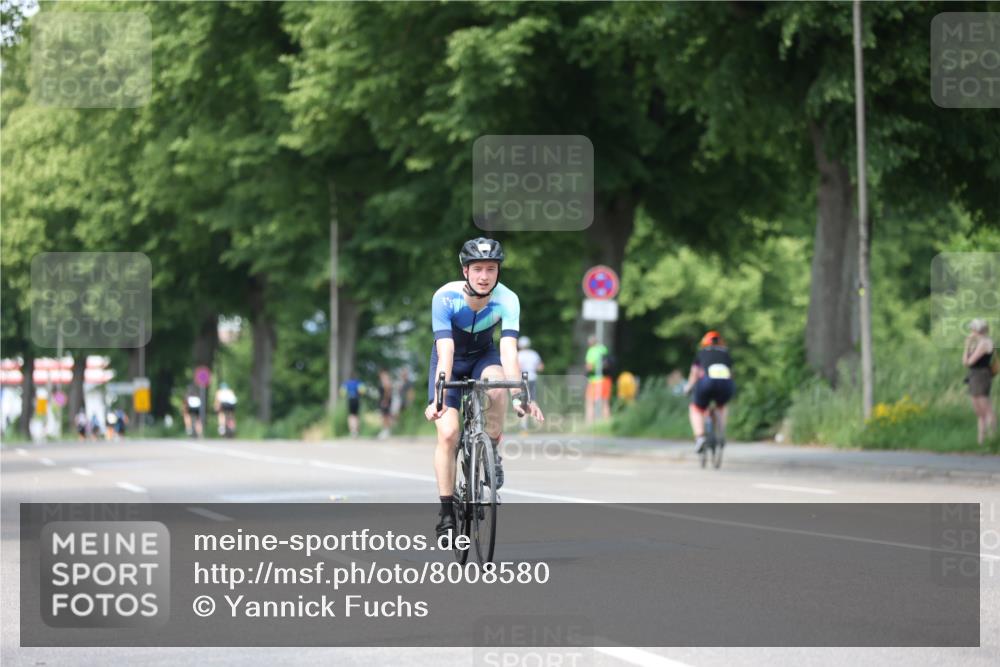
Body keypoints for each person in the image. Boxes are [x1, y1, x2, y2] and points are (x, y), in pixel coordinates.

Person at [425, 237, 544, 538]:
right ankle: (446, 511)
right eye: (477, 268)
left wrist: (519, 394)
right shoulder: (445, 297)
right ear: (465, 271)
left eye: (491, 269)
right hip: (449, 360)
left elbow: (508, 352)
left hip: (484, 357)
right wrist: (438, 397)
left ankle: (490, 448)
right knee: (449, 433)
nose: (484, 276)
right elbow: (446, 351)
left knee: (497, 385)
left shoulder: (508, 299)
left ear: (498, 272)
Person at [684, 330, 736, 453]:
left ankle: (700, 437)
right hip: (726, 385)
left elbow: (695, 374)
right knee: (721, 406)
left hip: (707, 383)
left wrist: (688, 388)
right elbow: (731, 374)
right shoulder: (726, 353)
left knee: (696, 408)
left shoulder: (702, 353)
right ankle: (721, 432)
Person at [963, 318, 996, 445]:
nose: (971, 331)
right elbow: (965, 362)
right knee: (979, 411)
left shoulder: (984, 343)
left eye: (973, 329)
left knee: (986, 408)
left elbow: (969, 361)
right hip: (974, 375)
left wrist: (967, 346)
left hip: (981, 375)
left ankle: (992, 439)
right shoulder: (978, 343)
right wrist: (968, 347)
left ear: (978, 330)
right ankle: (981, 441)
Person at [517, 336, 544, 429]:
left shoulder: (518, 354)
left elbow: (518, 368)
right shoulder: (534, 354)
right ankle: (537, 422)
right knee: (532, 399)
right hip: (533, 378)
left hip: (523, 379)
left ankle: (523, 424)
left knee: (522, 401)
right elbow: (540, 367)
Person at [585, 335, 611, 423]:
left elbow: (589, 366)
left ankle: (589, 424)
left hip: (594, 380)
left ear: (590, 343)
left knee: (590, 402)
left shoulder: (591, 351)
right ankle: (606, 423)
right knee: (605, 402)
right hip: (606, 379)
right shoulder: (603, 349)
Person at [341, 372, 365, 437]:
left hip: (350, 400)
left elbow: (342, 393)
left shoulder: (347, 383)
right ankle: (356, 430)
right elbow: (362, 391)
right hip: (357, 399)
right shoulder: (358, 382)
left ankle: (352, 430)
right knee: (356, 415)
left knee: (351, 415)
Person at [377, 368, 393, 439]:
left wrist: (385, 400)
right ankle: (386, 430)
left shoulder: (385, 381)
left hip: (385, 401)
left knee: (385, 416)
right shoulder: (386, 381)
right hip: (385, 400)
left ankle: (386, 431)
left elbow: (387, 391)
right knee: (385, 415)